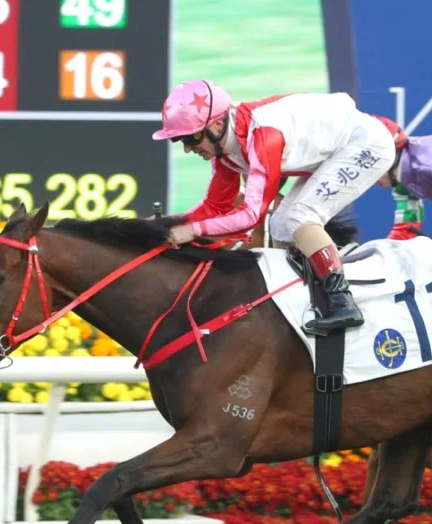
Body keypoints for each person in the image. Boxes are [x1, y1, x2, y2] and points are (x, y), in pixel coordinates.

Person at [151, 80, 396, 334]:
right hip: (334, 151)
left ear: (216, 125)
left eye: (192, 137)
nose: (188, 148)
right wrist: (167, 226)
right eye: (180, 140)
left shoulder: (263, 137)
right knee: (280, 226)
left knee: (300, 217)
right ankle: (305, 298)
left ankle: (343, 303)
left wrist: (192, 231)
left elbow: (251, 214)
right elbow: (215, 207)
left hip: (365, 144)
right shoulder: (226, 148)